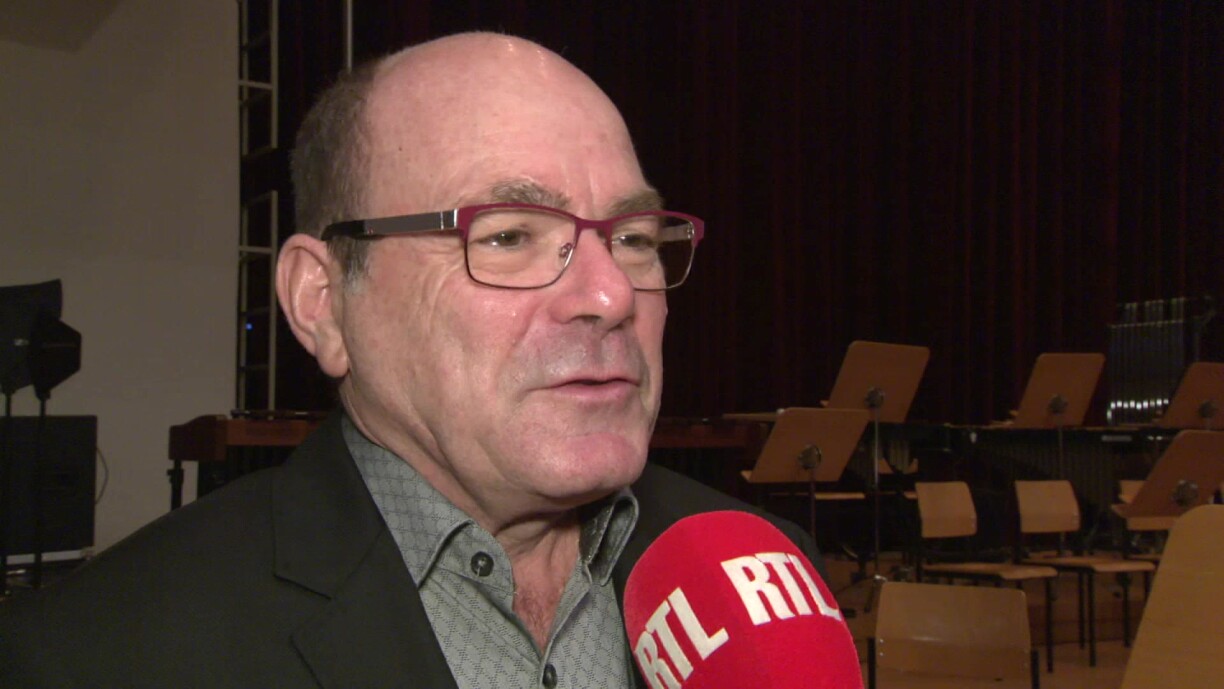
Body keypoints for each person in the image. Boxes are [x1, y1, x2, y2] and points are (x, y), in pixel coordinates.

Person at [0, 32, 823, 687]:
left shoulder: (773, 577)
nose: (611, 295)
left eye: (634, 238)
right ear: (323, 301)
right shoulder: (95, 654)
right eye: (508, 235)